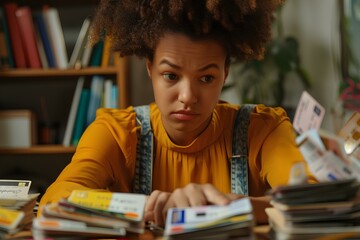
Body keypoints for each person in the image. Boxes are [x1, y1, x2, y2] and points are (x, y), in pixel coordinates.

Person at [39, 0, 316, 227]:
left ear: (225, 73)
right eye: (171, 75)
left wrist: (229, 207)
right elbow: (56, 200)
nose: (188, 97)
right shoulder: (115, 131)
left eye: (206, 78)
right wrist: (147, 207)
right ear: (150, 68)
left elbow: (315, 202)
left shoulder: (263, 129)